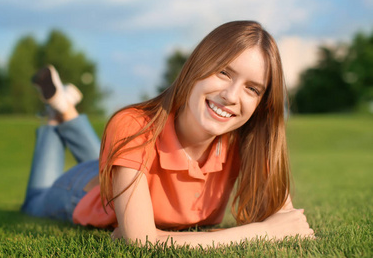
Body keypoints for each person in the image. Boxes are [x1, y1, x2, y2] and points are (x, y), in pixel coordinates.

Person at [21, 20, 314, 248]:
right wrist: (261, 232)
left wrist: (275, 227)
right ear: (198, 66)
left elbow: (287, 222)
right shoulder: (133, 125)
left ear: (262, 104)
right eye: (224, 72)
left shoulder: (249, 140)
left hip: (124, 170)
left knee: (123, 154)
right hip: (81, 190)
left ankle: (61, 107)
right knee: (34, 202)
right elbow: (143, 242)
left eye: (253, 88)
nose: (231, 96)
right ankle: (54, 120)